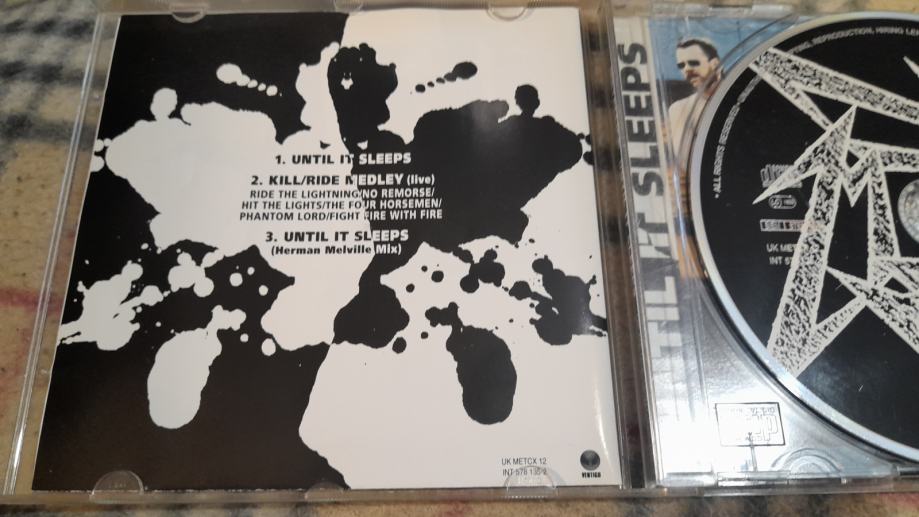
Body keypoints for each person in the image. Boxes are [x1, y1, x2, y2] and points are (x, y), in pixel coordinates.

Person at [668, 38, 721, 155]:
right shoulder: (680, 109)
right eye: (681, 65)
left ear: (715, 64)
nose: (687, 69)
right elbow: (684, 158)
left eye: (693, 63)